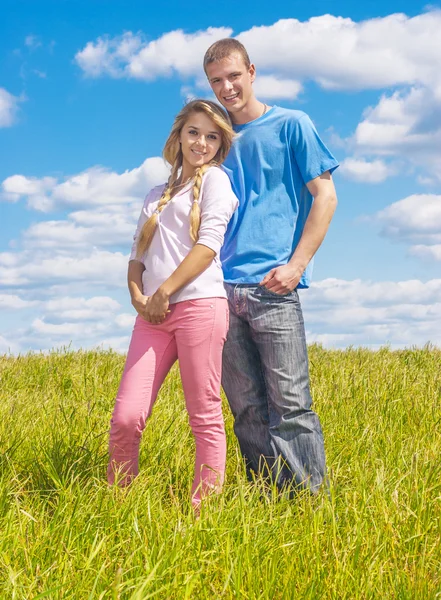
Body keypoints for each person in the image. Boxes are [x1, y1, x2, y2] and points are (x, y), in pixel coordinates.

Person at [203, 39, 339, 494]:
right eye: (216, 80)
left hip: (273, 287)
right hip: (220, 290)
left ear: (252, 71)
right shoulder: (215, 140)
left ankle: (308, 509)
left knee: (291, 405)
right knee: (245, 407)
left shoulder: (292, 124)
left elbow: (326, 196)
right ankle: (268, 503)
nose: (227, 87)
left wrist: (296, 265)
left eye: (233, 76)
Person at [107, 100, 238, 511]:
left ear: (220, 144)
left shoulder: (218, 182)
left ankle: (204, 512)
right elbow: (137, 254)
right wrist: (138, 295)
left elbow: (207, 247)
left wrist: (165, 292)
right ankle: (118, 503)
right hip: (151, 316)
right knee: (127, 416)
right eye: (194, 132)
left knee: (204, 415)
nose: (201, 142)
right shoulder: (154, 194)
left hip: (201, 307)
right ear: (179, 135)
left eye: (212, 136)